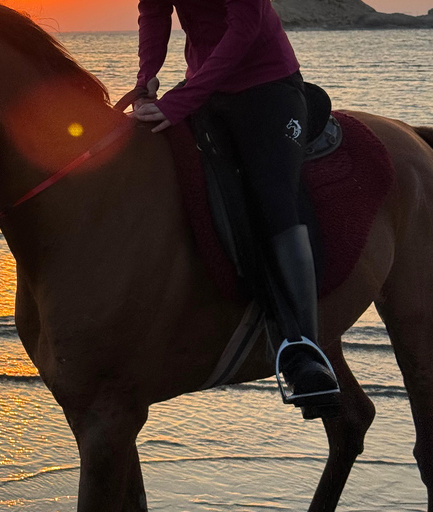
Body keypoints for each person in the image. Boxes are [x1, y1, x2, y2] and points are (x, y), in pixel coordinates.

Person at [132, 0, 340, 416]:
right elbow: (154, 13)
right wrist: (145, 78)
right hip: (209, 88)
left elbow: (245, 28)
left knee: (274, 201)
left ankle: (304, 349)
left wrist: (181, 101)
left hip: (268, 86)